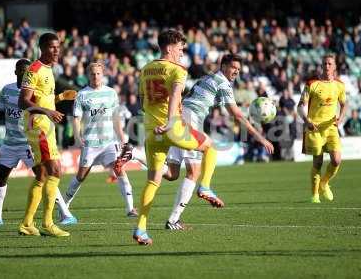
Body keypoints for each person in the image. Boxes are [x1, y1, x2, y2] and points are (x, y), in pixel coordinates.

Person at [163, 54, 274, 230]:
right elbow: (236, 115)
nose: (236, 71)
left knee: (171, 173)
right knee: (200, 163)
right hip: (189, 120)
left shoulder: (207, 77)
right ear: (223, 66)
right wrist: (260, 138)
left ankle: (134, 156)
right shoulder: (223, 82)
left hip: (180, 117)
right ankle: (198, 194)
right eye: (233, 67)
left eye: (238, 69)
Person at [133, 29, 218, 245]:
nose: (182, 51)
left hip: (151, 132)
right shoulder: (178, 70)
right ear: (169, 48)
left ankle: (141, 229)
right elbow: (175, 96)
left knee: (153, 181)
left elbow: (142, 101)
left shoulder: (145, 69)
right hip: (173, 129)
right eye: (180, 48)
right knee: (210, 146)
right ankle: (205, 186)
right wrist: (171, 122)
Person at [59, 61, 137, 218]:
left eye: (98, 73)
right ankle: (64, 207)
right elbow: (76, 119)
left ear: (103, 75)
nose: (95, 76)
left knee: (119, 169)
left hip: (109, 142)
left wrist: (122, 139)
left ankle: (130, 209)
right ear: (89, 75)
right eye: (93, 74)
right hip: (91, 143)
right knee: (80, 177)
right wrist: (77, 137)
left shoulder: (111, 93)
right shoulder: (82, 94)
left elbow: (116, 118)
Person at [18, 32, 77, 237]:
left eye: (58, 46)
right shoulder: (34, 69)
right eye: (52, 47)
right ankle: (48, 223)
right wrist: (48, 112)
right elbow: (23, 101)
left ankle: (27, 223)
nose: (57, 50)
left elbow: (42, 99)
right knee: (56, 171)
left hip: (46, 125)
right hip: (38, 126)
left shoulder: (49, 70)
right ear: (42, 48)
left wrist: (60, 97)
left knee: (43, 175)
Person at [0, 59, 38, 226]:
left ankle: (65, 213)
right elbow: (2, 112)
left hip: (28, 143)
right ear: (16, 72)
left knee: (44, 177)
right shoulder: (7, 89)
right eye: (21, 70)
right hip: (10, 144)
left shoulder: (34, 92)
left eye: (27, 71)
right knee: (0, 178)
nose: (24, 73)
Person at [297, 54, 347, 204]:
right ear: (321, 66)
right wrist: (307, 120)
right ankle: (314, 196)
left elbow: (344, 104)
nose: (327, 66)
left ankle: (324, 183)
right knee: (317, 162)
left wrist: (341, 118)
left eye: (330, 64)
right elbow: (300, 106)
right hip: (314, 127)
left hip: (331, 127)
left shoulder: (339, 85)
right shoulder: (312, 83)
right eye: (324, 64)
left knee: (336, 160)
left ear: (335, 67)